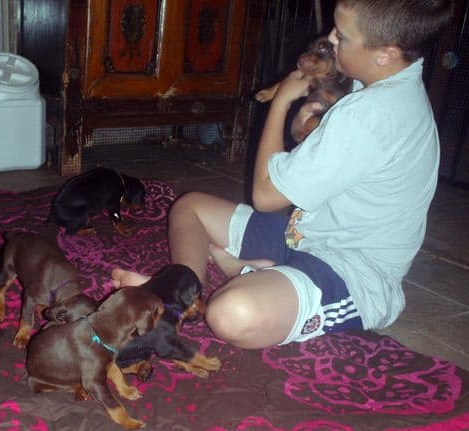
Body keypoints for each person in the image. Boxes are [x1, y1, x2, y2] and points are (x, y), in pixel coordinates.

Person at [113, 0, 454, 349]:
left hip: (354, 273)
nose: (331, 39)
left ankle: (247, 274)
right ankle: (179, 297)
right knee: (190, 207)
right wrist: (303, 127)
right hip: (306, 234)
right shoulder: (376, 86)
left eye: (344, 36)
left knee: (232, 312)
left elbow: (265, 196)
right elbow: (326, 157)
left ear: (385, 53)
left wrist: (281, 103)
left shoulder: (372, 114)